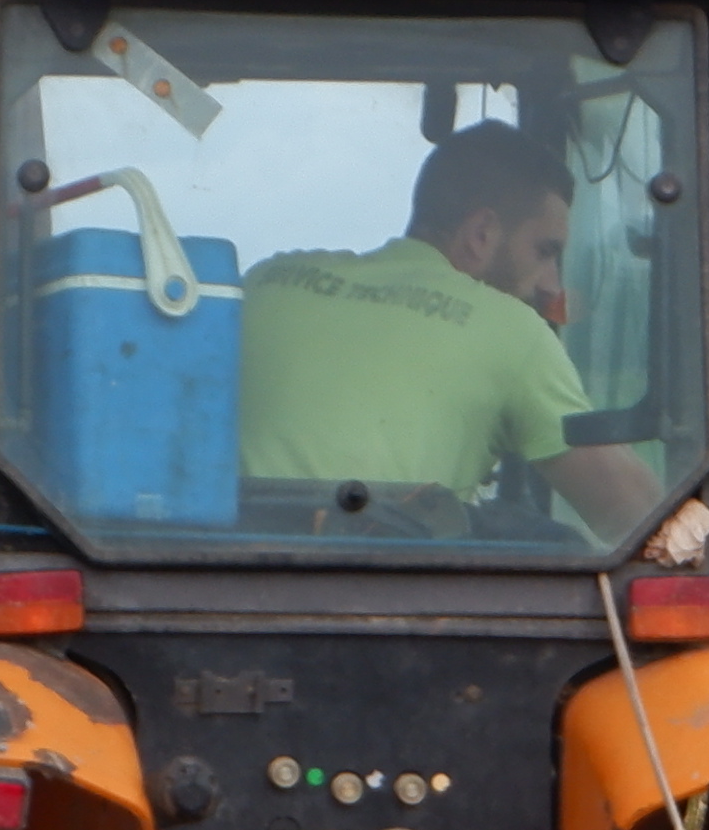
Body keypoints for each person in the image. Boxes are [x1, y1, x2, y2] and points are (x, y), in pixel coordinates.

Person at [235, 120, 655, 539]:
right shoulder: (510, 329)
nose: (551, 284)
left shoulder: (266, 282)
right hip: (392, 592)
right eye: (544, 251)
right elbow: (639, 515)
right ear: (481, 233)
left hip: (215, 579)